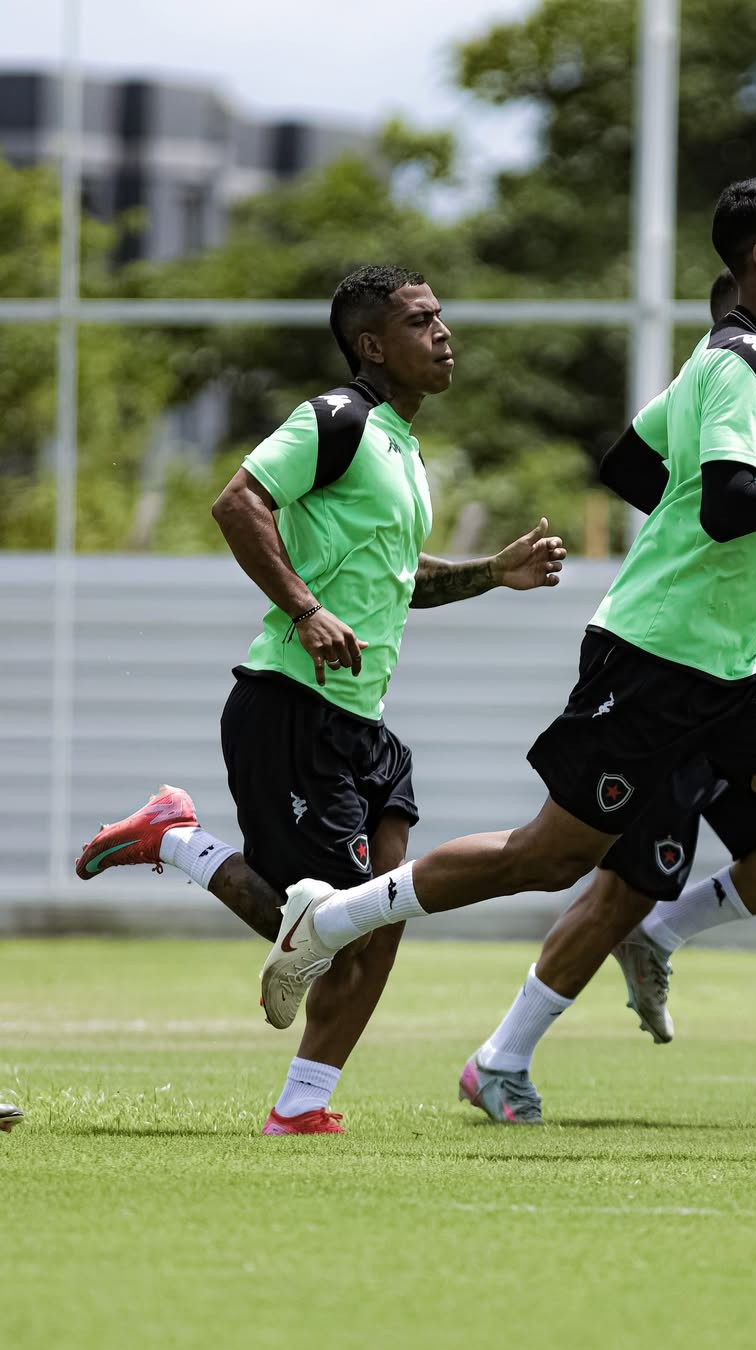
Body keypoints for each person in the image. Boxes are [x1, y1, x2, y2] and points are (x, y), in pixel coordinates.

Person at [261, 180, 756, 1134]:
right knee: (549, 859)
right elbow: (720, 505)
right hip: (658, 656)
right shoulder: (737, 365)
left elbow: (635, 469)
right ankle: (333, 919)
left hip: (737, 658)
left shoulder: (750, 367)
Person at [75, 264, 566, 1135]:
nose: (443, 332)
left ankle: (302, 1106)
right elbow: (238, 502)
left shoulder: (406, 453)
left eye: (441, 316)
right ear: (372, 345)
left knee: (387, 912)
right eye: (421, 322)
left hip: (364, 723)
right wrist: (303, 610)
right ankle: (175, 840)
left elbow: (396, 578)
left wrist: (494, 572)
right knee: (334, 922)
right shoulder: (336, 419)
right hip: (290, 705)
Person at [457, 302, 756, 1126]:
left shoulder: (743, 384)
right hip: (668, 675)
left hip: (732, 680)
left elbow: (657, 488)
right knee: (581, 869)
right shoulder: (736, 368)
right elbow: (710, 510)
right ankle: (489, 1043)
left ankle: (663, 935)